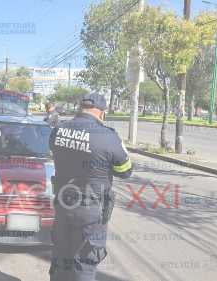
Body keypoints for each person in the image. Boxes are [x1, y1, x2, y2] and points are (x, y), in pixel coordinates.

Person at [48, 93, 132, 281]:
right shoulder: (108, 136)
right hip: (90, 211)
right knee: (84, 263)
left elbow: (54, 151)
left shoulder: (59, 130)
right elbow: (125, 170)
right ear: (102, 113)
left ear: (80, 108)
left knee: (61, 257)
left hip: (63, 205)